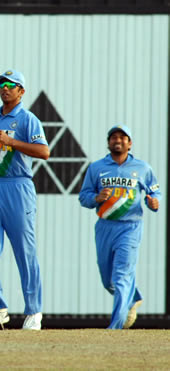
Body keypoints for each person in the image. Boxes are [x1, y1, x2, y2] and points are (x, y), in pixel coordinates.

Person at [0, 69, 49, 330]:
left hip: (18, 189)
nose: (4, 88)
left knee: (25, 253)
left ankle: (33, 312)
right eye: (1, 84)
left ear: (21, 91)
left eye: (11, 85)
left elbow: (44, 151)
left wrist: (11, 141)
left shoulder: (28, 119)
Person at [79, 124, 160, 329]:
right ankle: (132, 298)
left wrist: (153, 202)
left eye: (123, 137)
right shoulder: (97, 168)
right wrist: (97, 197)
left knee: (121, 276)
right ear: (108, 143)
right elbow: (83, 197)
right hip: (105, 227)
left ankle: (115, 326)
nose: (118, 140)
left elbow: (155, 192)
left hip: (130, 227)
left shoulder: (142, 168)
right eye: (114, 137)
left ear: (130, 143)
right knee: (108, 280)